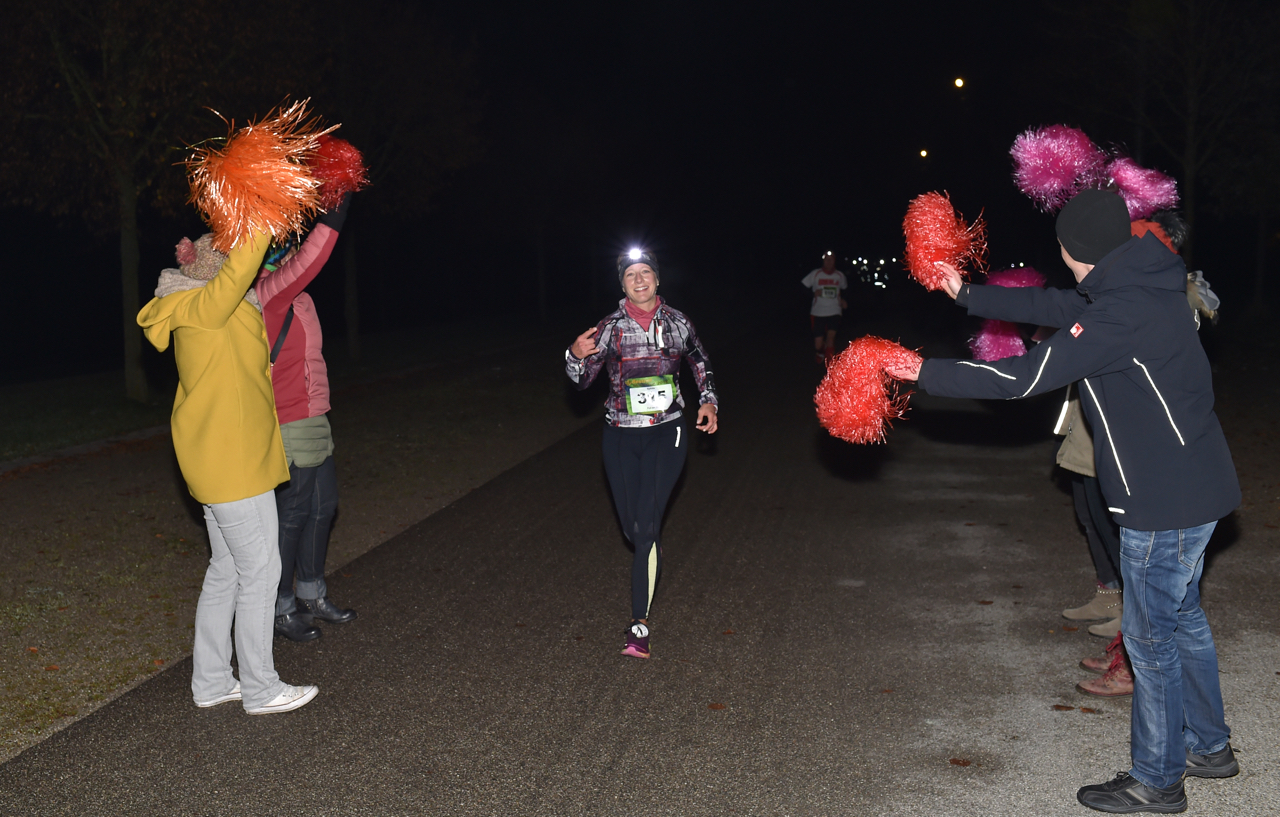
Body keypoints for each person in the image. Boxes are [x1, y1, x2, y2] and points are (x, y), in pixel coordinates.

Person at [886, 190, 1240, 813]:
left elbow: (1023, 377)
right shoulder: (1141, 274)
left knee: (1150, 641)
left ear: (1075, 249)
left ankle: (1157, 782)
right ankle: (1209, 747)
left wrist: (922, 372)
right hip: (1198, 484)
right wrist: (965, 292)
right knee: (1182, 622)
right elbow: (1055, 303)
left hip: (1165, 500)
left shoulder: (1116, 313)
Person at [137, 230, 319, 715]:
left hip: (226, 459)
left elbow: (256, 279)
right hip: (230, 462)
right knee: (261, 569)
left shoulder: (212, 306)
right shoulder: (203, 307)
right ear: (216, 270)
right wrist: (255, 217)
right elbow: (240, 270)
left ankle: (212, 681)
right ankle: (261, 687)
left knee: (227, 570)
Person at [565, 248, 719, 659]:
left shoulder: (678, 322)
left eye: (645, 272)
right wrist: (574, 357)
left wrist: (708, 402)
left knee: (647, 529)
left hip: (667, 431)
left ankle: (639, 626)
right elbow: (581, 382)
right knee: (634, 530)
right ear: (622, 284)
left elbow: (699, 361)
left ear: (657, 279)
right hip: (619, 434)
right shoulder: (610, 328)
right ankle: (649, 549)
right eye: (630, 274)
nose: (639, 279)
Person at [255, 193, 358, 642]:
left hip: (317, 417)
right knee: (293, 514)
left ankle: (312, 594)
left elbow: (305, 263)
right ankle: (279, 608)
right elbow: (315, 255)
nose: (290, 249)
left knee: (324, 507)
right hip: (290, 421)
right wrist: (338, 203)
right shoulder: (269, 293)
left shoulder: (298, 297)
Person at [801, 251, 848, 365]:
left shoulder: (840, 275)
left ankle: (830, 363)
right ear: (823, 261)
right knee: (818, 343)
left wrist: (843, 300)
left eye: (831, 259)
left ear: (834, 261)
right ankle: (820, 352)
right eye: (826, 259)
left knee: (830, 338)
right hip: (818, 312)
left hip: (834, 310)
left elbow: (845, 289)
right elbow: (803, 288)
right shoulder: (815, 274)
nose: (829, 261)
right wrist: (813, 294)